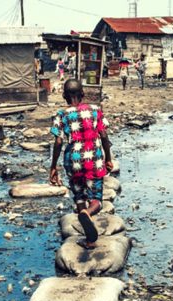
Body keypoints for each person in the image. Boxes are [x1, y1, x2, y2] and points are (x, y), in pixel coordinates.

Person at [50, 79, 113, 249]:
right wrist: (108, 158)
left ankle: (88, 236)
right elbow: (104, 135)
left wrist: (53, 166)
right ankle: (89, 212)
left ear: (64, 96)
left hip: (74, 161)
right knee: (96, 199)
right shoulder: (95, 110)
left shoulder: (62, 114)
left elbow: (58, 142)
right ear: (83, 94)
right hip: (94, 160)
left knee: (79, 196)